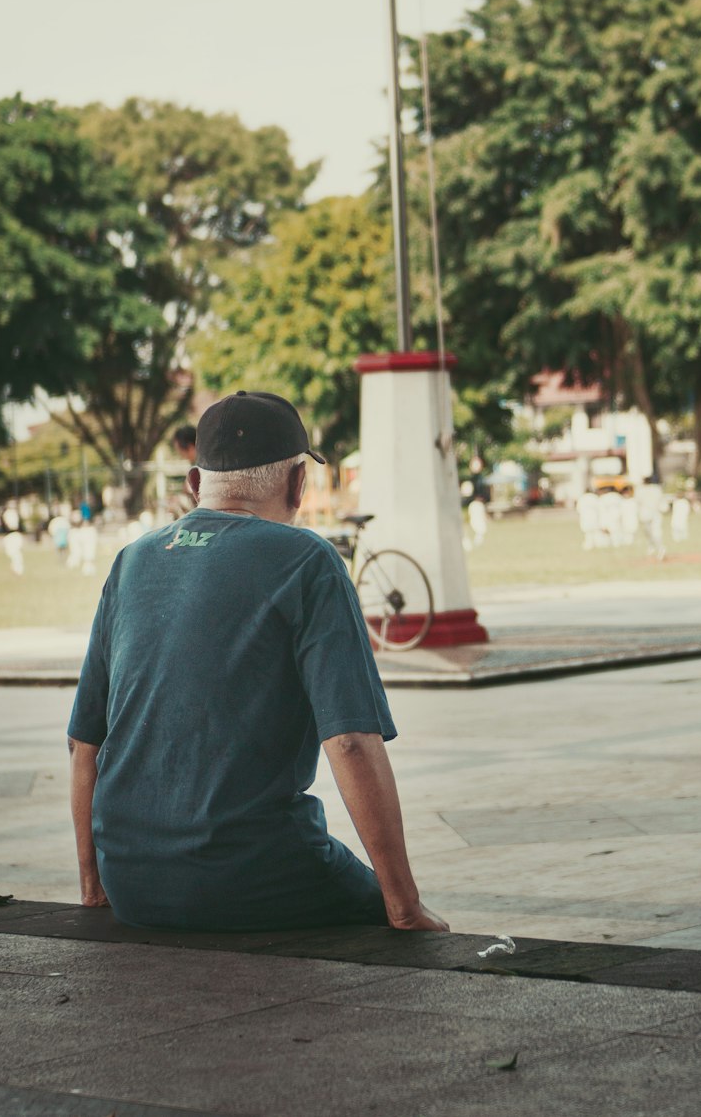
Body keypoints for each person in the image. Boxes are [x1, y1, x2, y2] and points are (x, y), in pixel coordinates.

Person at [68, 389, 447, 935]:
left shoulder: (132, 562)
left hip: (130, 881)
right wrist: (406, 909)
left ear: (195, 483)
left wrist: (95, 888)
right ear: (298, 484)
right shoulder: (308, 561)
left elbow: (85, 744)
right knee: (400, 930)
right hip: (256, 874)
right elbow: (349, 741)